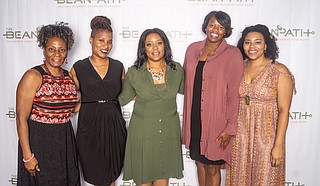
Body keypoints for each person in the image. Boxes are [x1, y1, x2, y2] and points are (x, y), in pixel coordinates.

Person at [226, 24, 296, 186]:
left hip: (267, 138)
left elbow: (284, 110)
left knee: (266, 179)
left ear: (266, 45)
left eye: (257, 42)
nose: (252, 46)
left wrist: (278, 145)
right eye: (247, 42)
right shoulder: (238, 68)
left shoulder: (279, 70)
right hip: (239, 138)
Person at [182, 11, 243, 186]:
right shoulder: (192, 49)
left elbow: (233, 94)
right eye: (212, 25)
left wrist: (230, 126)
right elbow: (184, 81)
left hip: (216, 121)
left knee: (212, 167)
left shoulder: (233, 54)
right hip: (194, 118)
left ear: (226, 31)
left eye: (221, 26)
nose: (215, 29)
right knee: (199, 163)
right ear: (205, 26)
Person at [16, 22, 80, 186]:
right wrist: (27, 156)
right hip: (40, 141)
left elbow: (69, 108)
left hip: (65, 140)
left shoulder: (68, 76)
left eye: (62, 49)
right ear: (44, 49)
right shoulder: (33, 76)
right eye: (52, 49)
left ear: (67, 51)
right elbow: (21, 119)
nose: (57, 54)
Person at [119, 28, 184, 186]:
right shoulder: (134, 73)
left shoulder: (177, 69)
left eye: (159, 43)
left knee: (163, 178)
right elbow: (121, 99)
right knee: (144, 179)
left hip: (168, 133)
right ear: (143, 48)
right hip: (143, 134)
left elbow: (189, 93)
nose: (155, 48)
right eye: (149, 44)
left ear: (165, 46)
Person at [70, 15, 127, 186]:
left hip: (113, 125)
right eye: (101, 40)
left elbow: (128, 93)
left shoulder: (118, 67)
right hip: (90, 125)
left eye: (110, 41)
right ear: (91, 40)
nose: (106, 46)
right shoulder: (78, 67)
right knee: (96, 174)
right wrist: (83, 105)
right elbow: (67, 97)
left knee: (111, 176)